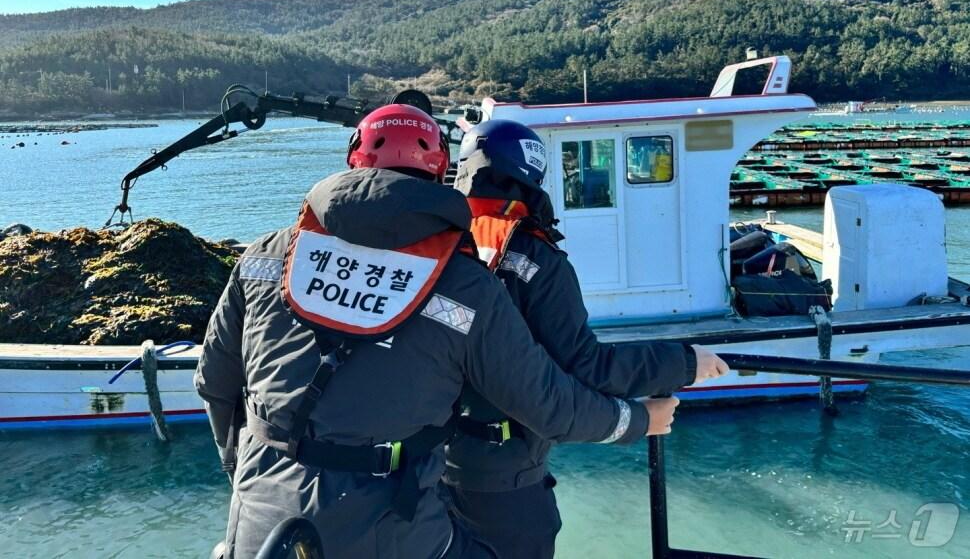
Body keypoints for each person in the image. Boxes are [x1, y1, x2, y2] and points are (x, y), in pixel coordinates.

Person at [195, 104, 684, 559]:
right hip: (394, 534)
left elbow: (213, 383)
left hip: (259, 523)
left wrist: (242, 468)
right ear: (439, 170)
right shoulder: (462, 284)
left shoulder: (264, 255)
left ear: (353, 158)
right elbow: (551, 405)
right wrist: (639, 420)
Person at [446, 119, 729, 559]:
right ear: (532, 174)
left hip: (436, 466)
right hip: (506, 478)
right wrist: (685, 362)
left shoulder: (443, 243)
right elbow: (585, 366)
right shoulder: (537, 257)